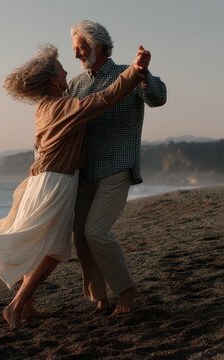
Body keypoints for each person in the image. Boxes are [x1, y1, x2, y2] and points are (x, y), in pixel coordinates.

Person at [0, 43, 150, 329]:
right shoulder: (63, 107)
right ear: (53, 80)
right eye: (62, 71)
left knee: (39, 241)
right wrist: (134, 73)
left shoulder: (43, 107)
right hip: (56, 183)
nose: (67, 75)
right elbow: (104, 99)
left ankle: (27, 306)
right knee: (53, 249)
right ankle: (15, 306)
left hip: (41, 179)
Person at [68, 20, 168, 315]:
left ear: (97, 45)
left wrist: (144, 71)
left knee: (96, 232)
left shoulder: (129, 72)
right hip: (85, 171)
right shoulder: (75, 85)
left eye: (80, 47)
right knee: (80, 236)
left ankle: (126, 290)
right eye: (75, 49)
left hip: (117, 166)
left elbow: (159, 98)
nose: (76, 54)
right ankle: (100, 298)